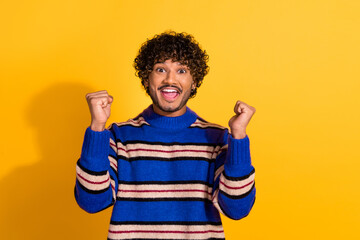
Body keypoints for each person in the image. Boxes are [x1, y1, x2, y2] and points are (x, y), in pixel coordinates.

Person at [75, 31, 256, 240]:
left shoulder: (217, 138)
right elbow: (92, 202)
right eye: (161, 69)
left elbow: (237, 209)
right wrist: (97, 127)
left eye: (181, 70)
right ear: (146, 78)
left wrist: (239, 137)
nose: (170, 79)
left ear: (194, 81)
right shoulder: (118, 137)